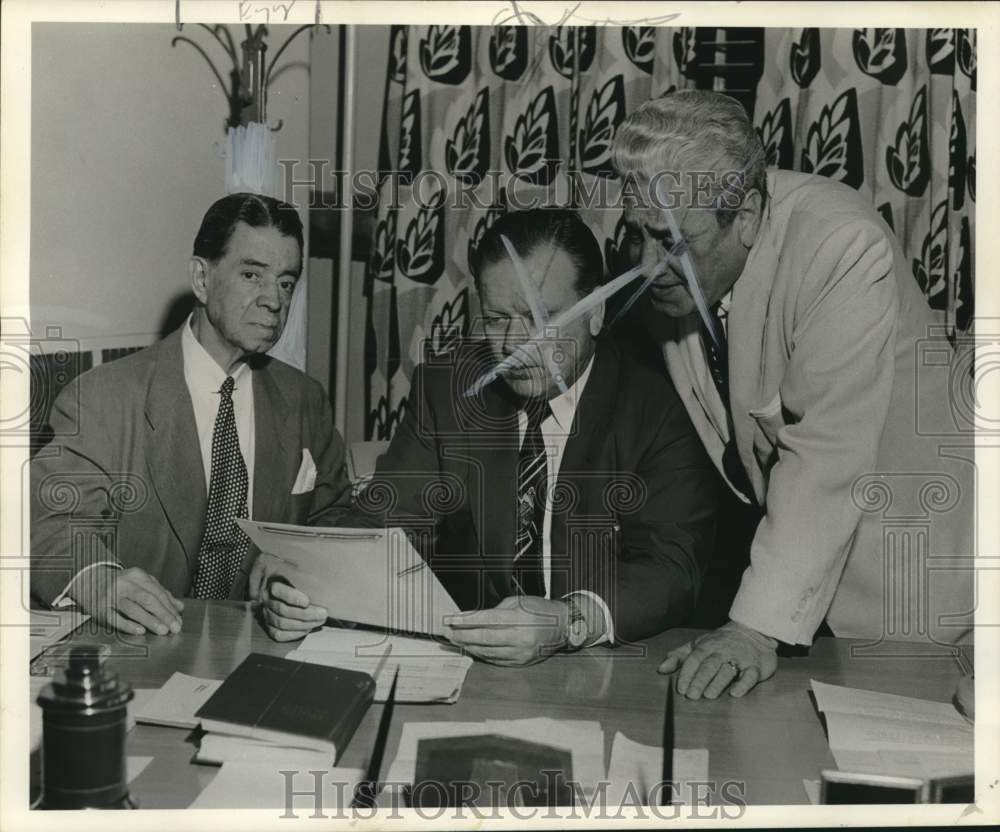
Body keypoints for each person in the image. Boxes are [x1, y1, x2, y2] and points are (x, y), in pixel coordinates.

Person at [610, 90, 974, 699]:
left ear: (747, 216)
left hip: (922, 569)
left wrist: (753, 630)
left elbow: (825, 453)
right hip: (804, 575)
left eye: (670, 240)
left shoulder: (840, 244)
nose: (646, 266)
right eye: (635, 234)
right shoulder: (671, 235)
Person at [254, 208, 720, 664]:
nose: (516, 346)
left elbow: (672, 568)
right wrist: (305, 575)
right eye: (497, 320)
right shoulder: (450, 386)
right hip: (473, 667)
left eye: (541, 318)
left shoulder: (659, 404)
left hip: (602, 667)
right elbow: (388, 519)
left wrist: (569, 621)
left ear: (595, 313)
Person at [30, 193, 353, 635]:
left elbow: (335, 520)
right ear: (202, 279)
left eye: (286, 282)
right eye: (251, 274)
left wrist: (298, 573)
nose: (273, 301)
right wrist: (98, 580)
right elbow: (47, 519)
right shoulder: (105, 398)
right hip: (144, 654)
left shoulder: (304, 400)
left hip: (262, 650)